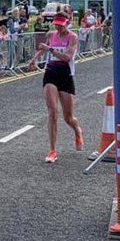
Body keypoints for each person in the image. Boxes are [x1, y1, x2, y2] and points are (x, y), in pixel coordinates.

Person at [29, 12, 83, 163]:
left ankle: (77, 130)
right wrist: (34, 59)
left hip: (66, 76)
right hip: (51, 74)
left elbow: (67, 58)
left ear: (67, 23)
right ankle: (52, 150)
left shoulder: (73, 37)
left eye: (61, 25)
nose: (58, 28)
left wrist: (50, 49)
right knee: (53, 112)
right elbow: (44, 49)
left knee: (68, 118)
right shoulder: (51, 35)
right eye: (56, 25)